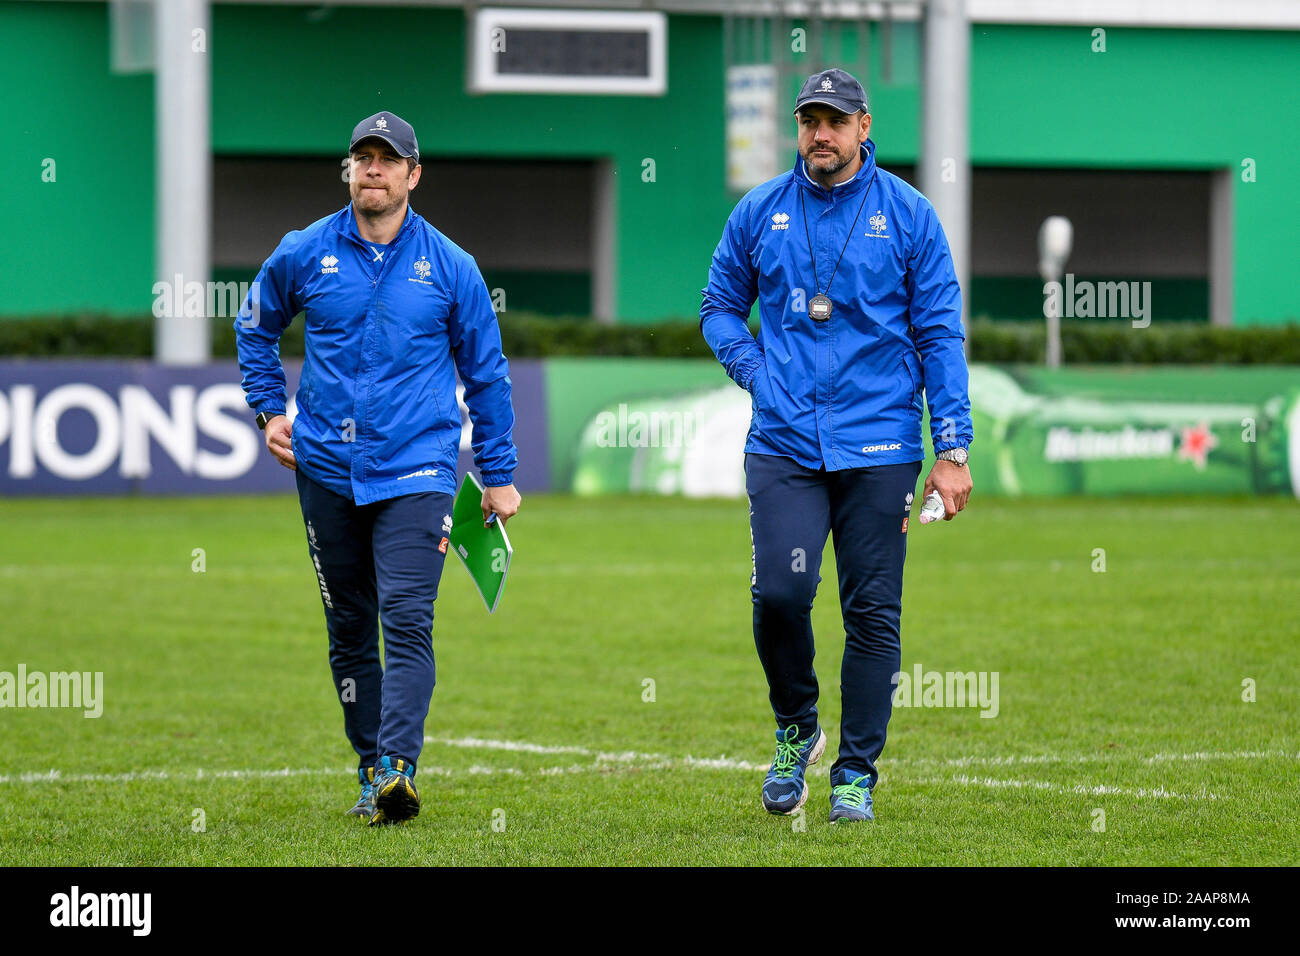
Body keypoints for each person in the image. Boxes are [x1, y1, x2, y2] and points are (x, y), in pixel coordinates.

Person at [700, 69, 973, 823]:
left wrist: (952, 447)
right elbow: (720, 306)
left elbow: (941, 335)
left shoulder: (911, 216)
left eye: (835, 120)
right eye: (809, 120)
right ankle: (797, 727)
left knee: (873, 613)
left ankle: (855, 773)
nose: (820, 133)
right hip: (785, 444)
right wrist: (754, 369)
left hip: (881, 447)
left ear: (863, 126)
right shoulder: (759, 211)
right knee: (781, 596)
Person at [234, 111, 521, 826]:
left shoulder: (451, 266)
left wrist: (499, 472)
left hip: (418, 469)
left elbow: (487, 375)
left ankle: (398, 768)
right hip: (326, 467)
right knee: (349, 626)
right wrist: (270, 411)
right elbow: (254, 325)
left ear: (412, 175)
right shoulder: (304, 251)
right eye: (362, 157)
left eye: (387, 160)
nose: (372, 169)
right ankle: (369, 769)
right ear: (349, 170)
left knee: (408, 617)